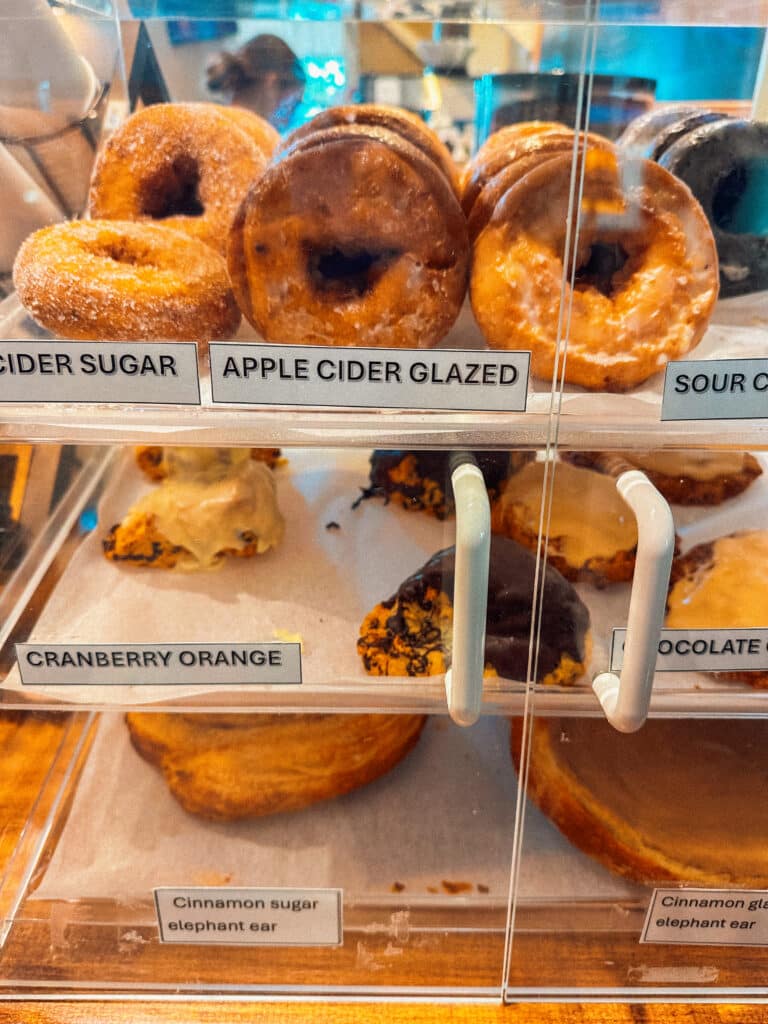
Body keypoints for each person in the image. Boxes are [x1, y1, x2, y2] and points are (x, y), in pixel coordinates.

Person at [206, 34, 306, 132]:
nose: (286, 120)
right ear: (271, 81)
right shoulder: (257, 138)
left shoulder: (215, 124)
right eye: (290, 104)